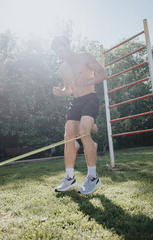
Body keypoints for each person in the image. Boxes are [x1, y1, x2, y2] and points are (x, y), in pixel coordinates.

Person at [51, 36, 108, 194]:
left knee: (83, 132)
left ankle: (93, 177)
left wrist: (88, 82)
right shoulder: (63, 68)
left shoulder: (85, 57)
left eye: (60, 50)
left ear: (68, 45)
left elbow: (104, 73)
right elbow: (69, 90)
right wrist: (60, 92)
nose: (59, 54)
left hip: (90, 99)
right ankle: (70, 178)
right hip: (76, 101)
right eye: (56, 52)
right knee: (68, 135)